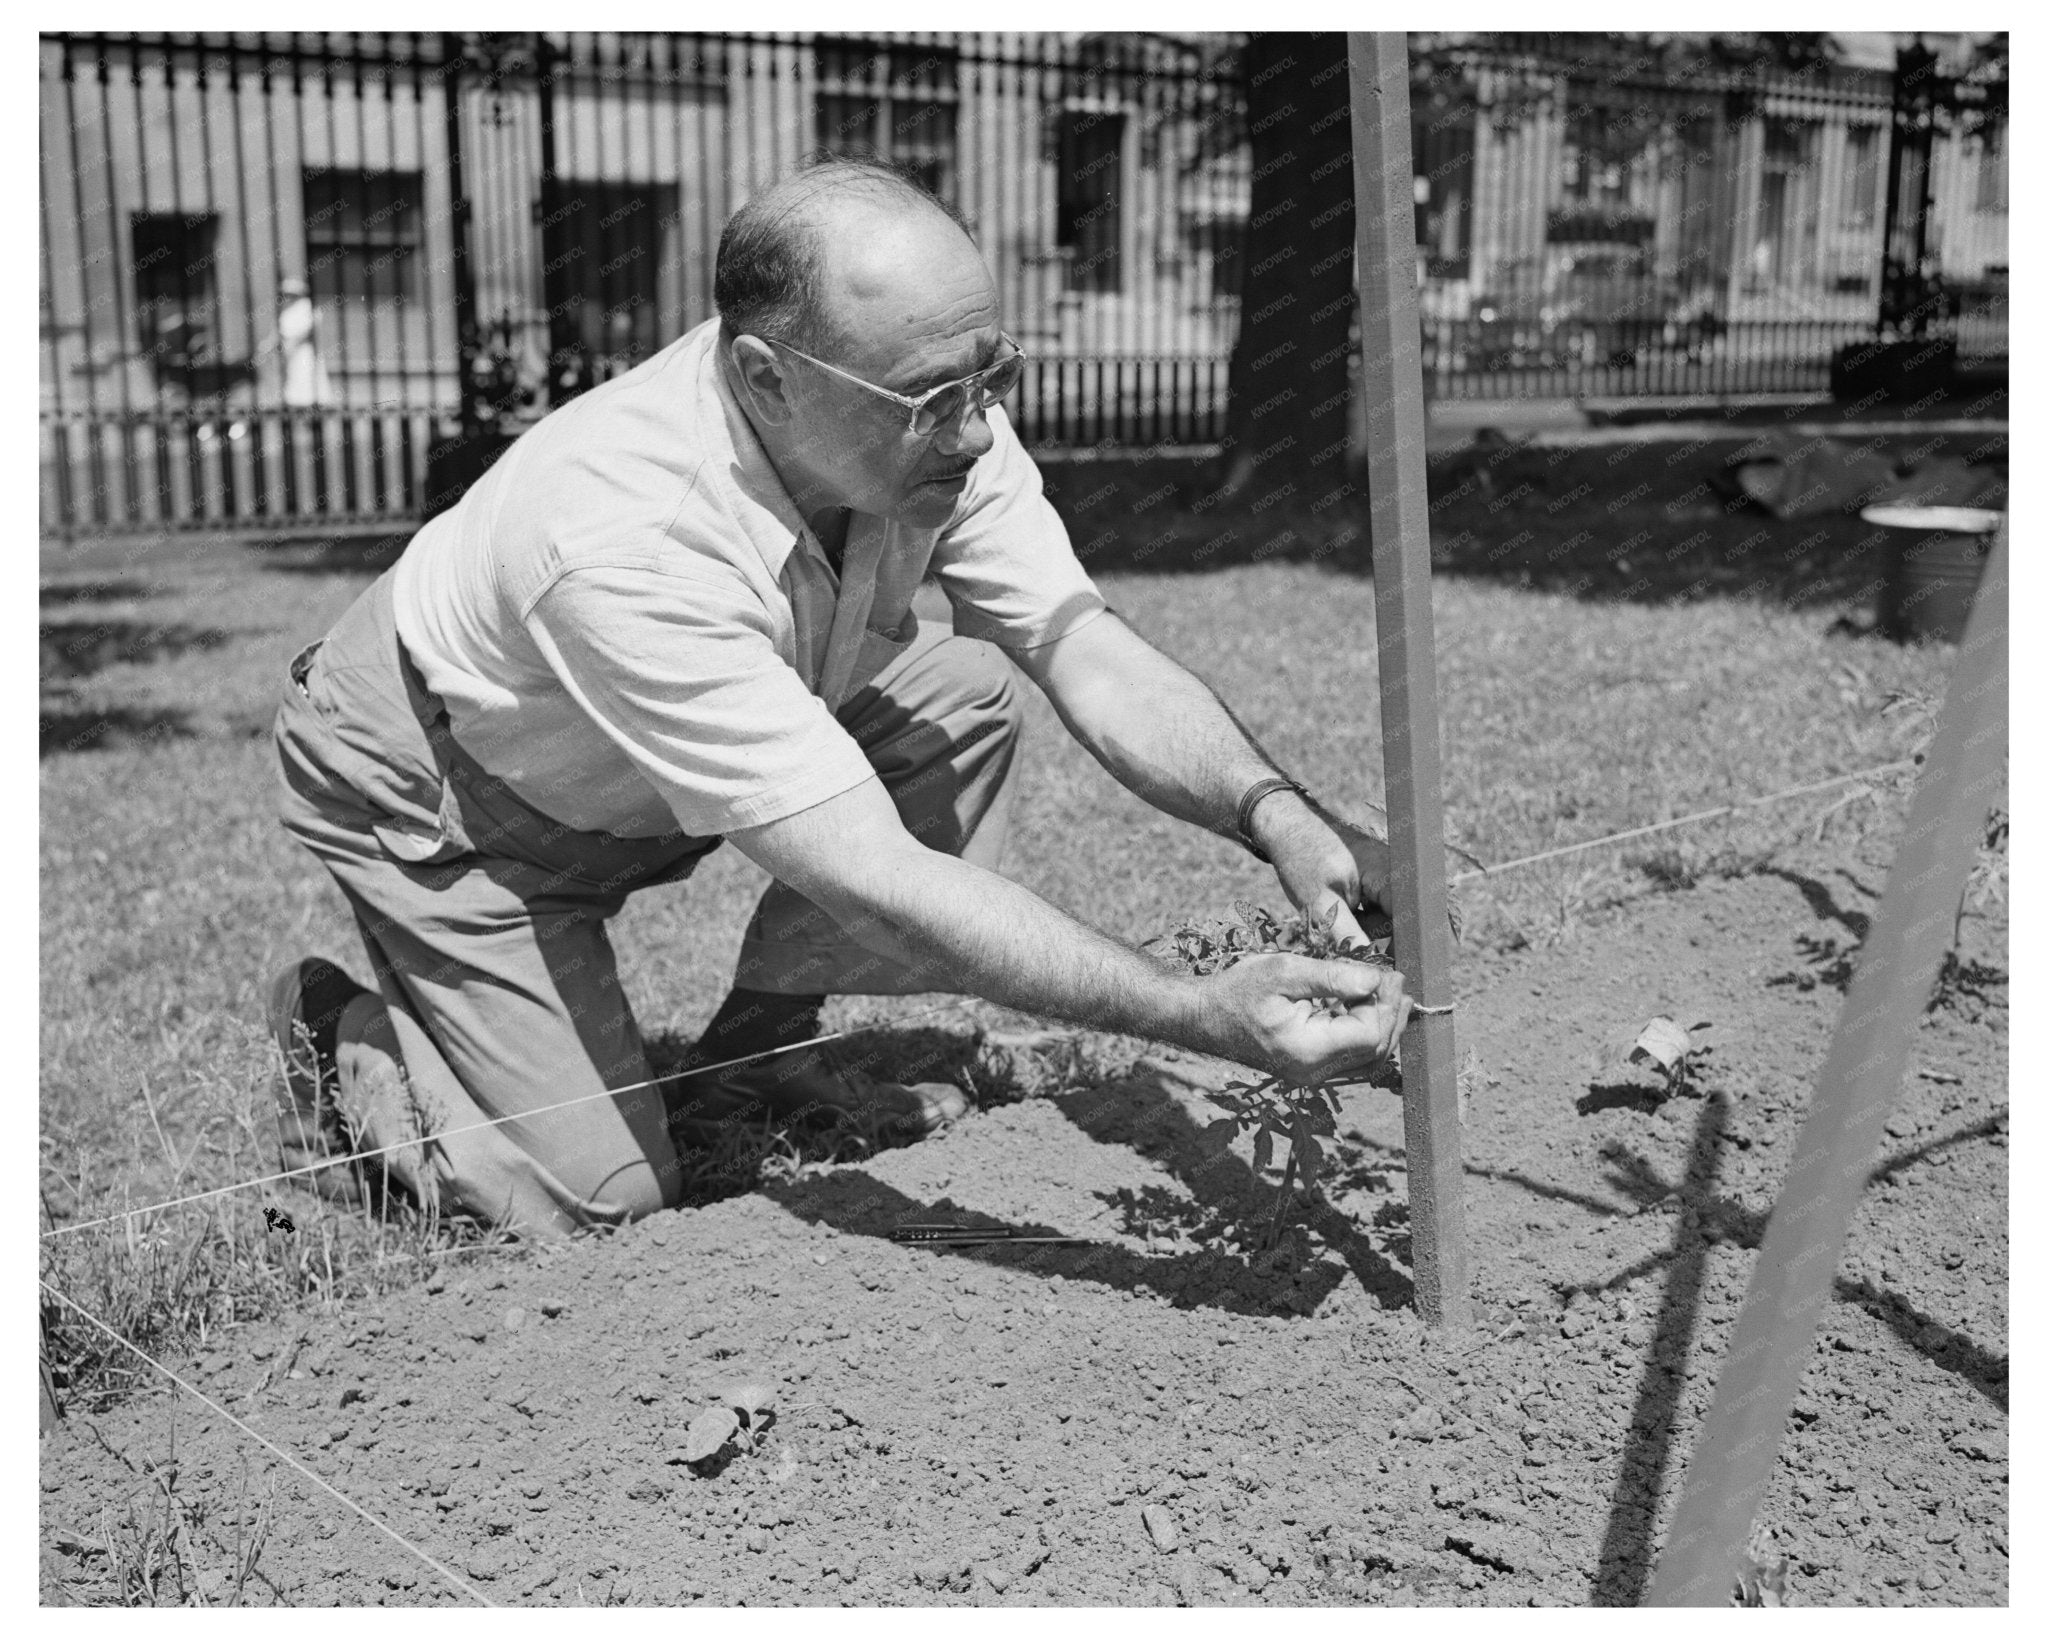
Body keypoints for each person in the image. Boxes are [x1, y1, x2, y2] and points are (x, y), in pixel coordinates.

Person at [268, 156, 1414, 1237]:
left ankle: (751, 1060)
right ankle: (337, 1029)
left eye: (993, 374)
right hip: (453, 795)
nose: (978, 426)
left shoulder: (928, 409)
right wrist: (1197, 1011)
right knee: (595, 1198)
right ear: (767, 378)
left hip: (631, 756)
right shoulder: (625, 537)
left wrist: (1275, 812)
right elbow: (876, 877)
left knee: (964, 696)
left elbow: (1080, 647)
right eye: (931, 396)